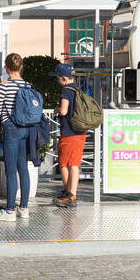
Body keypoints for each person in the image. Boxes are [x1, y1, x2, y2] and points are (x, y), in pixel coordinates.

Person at [0, 52, 37, 220]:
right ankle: (23, 208)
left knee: (10, 170)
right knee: (23, 168)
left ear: (7, 68)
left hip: (11, 128)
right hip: (26, 129)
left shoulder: (4, 86)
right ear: (21, 67)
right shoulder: (28, 86)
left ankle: (10, 210)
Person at [52, 62, 85, 206]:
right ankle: (70, 194)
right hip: (80, 131)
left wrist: (56, 109)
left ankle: (69, 194)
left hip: (68, 132)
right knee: (74, 164)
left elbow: (64, 111)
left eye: (57, 78)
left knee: (65, 164)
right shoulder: (78, 89)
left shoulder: (66, 91)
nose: (57, 80)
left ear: (64, 79)